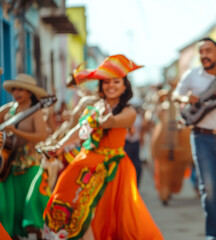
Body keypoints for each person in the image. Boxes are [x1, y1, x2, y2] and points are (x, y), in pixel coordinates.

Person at [42, 55, 164, 240]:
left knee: (108, 217)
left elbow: (116, 121)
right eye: (106, 82)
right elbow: (78, 129)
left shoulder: (128, 111)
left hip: (112, 170)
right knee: (71, 205)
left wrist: (109, 119)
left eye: (116, 81)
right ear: (101, 86)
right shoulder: (93, 108)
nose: (111, 85)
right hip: (84, 164)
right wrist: (59, 145)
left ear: (125, 86)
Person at [173, 37, 216, 240]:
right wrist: (186, 98)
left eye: (208, 50)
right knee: (209, 189)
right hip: (201, 136)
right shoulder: (192, 75)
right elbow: (175, 95)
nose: (205, 54)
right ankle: (214, 234)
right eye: (201, 51)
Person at [0, 73, 49, 239]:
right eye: (14, 89)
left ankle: (36, 232)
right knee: (10, 204)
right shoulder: (8, 109)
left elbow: (41, 136)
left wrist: (16, 131)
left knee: (30, 202)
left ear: (30, 92)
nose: (17, 93)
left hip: (30, 163)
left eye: (21, 89)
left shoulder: (36, 112)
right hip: (8, 163)